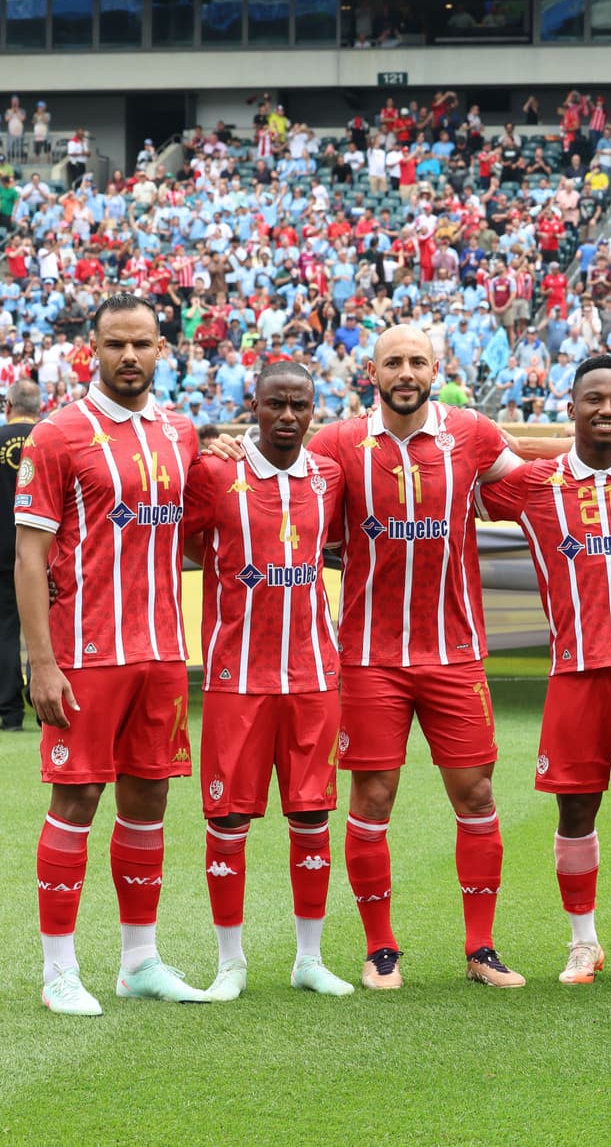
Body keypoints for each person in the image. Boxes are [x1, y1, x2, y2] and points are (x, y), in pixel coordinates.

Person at [303, 326, 531, 991]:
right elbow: (284, 492)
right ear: (370, 371)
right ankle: (381, 950)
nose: (405, 372)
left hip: (454, 654)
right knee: (373, 795)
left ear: (437, 368)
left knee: (478, 793)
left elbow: (537, 484)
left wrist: (606, 449)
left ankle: (482, 950)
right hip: (369, 656)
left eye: (416, 362)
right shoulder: (338, 444)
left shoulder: (473, 435)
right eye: (393, 362)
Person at [19, 294, 207, 1014]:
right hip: (86, 654)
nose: (129, 357)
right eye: (114, 345)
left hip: (160, 651)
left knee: (149, 797)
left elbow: (187, 536)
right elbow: (29, 555)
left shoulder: (180, 433)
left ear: (163, 350)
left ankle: (139, 961)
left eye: (142, 344)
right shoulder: (58, 435)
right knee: (76, 798)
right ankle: (58, 971)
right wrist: (42, 659)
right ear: (89, 351)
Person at [483, 356, 611, 987]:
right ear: (570, 407)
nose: (606, 409)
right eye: (592, 399)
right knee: (576, 810)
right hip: (574, 672)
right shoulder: (534, 486)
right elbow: (467, 463)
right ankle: (583, 941)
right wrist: (522, 443)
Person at [182, 362, 354, 1001]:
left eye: (299, 405)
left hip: (313, 675)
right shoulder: (216, 472)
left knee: (311, 814)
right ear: (252, 406)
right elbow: (188, 540)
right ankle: (232, 963)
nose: (287, 416)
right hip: (238, 678)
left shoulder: (329, 475)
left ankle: (308, 958)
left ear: (314, 410)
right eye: (275, 404)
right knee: (228, 820)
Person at [0, 378, 41, 731]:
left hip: (1, 547)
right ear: (39, 408)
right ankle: (45, 709)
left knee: (5, 629)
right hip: (43, 546)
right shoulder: (51, 437)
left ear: (8, 406)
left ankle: (10, 714)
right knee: (45, 627)